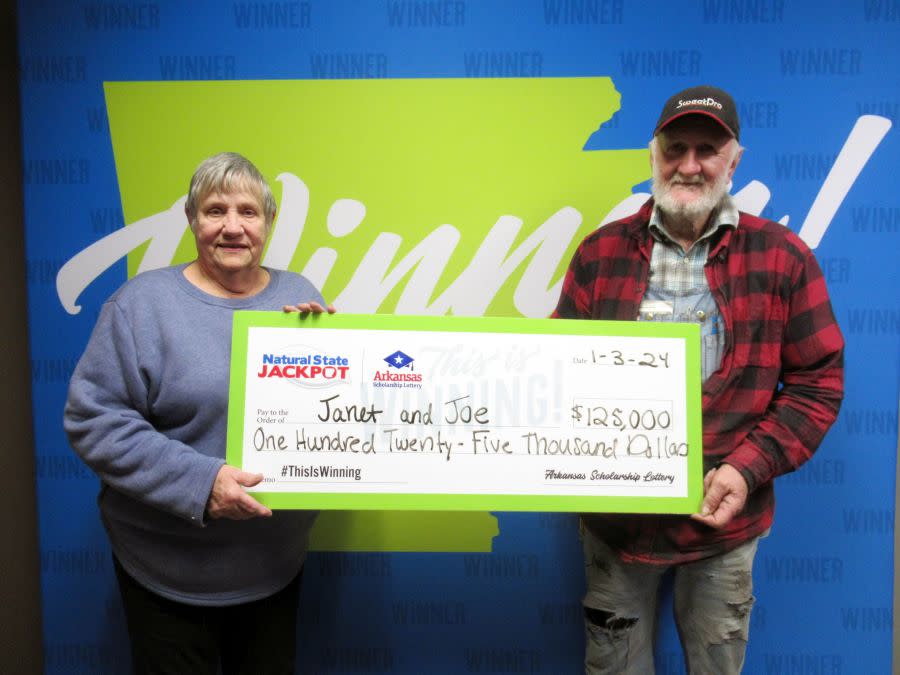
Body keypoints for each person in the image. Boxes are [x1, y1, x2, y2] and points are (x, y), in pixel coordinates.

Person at [553, 85, 844, 674]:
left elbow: (818, 384)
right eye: (675, 148)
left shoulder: (784, 258)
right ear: (654, 155)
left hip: (726, 524)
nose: (689, 165)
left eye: (707, 150)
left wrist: (745, 468)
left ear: (734, 160)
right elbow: (558, 372)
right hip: (616, 523)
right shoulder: (599, 253)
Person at [65, 152, 334, 674]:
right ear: (192, 220)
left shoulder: (300, 297)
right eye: (214, 211)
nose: (232, 226)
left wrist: (336, 354)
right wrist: (202, 481)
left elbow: (325, 418)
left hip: (272, 565)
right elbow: (93, 420)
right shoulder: (141, 305)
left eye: (248, 212)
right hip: (167, 571)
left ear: (269, 222)